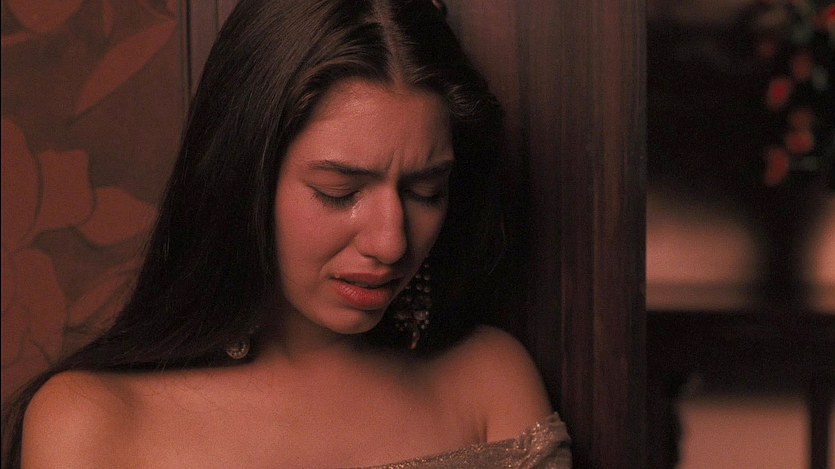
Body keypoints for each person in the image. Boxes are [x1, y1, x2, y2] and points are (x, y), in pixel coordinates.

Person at [1, 0, 571, 467]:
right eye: (338, 191)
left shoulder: (487, 382)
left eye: (425, 192)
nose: (391, 242)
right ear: (242, 180)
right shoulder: (92, 421)